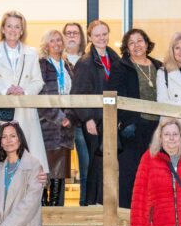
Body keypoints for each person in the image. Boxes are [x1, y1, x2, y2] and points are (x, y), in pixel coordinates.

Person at [0, 11, 48, 175]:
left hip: (25, 110)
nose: (13, 30)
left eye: (17, 27)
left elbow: (38, 82)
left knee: (26, 161)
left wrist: (23, 90)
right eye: (9, 26)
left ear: (22, 30)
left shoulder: (31, 52)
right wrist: (5, 91)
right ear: (3, 28)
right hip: (0, 110)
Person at [70, 19, 121, 206]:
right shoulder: (85, 63)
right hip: (93, 122)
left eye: (104, 34)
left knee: (109, 163)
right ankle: (91, 204)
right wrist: (88, 119)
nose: (102, 38)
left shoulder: (115, 58)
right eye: (97, 35)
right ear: (90, 37)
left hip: (111, 120)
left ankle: (107, 202)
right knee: (94, 164)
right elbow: (77, 95)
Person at [111, 28, 163, 206]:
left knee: (156, 173)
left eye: (139, 41)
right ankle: (127, 215)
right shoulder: (121, 66)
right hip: (133, 127)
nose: (136, 46)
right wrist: (126, 121)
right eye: (131, 43)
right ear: (127, 48)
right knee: (130, 174)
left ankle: (153, 214)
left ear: (147, 43)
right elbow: (115, 95)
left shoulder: (159, 66)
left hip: (158, 128)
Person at [38, 29, 74, 206]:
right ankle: (45, 208)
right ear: (46, 44)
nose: (57, 44)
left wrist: (69, 118)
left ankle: (56, 209)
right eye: (52, 41)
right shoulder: (42, 64)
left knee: (61, 170)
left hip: (66, 126)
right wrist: (59, 117)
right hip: (48, 124)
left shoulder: (67, 64)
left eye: (59, 40)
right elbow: (41, 95)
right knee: (46, 168)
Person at [63, 22, 89, 194]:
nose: (72, 36)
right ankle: (58, 212)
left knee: (86, 166)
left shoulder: (88, 60)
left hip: (82, 120)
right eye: (68, 33)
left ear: (82, 38)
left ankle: (84, 206)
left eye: (75, 33)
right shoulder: (55, 59)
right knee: (59, 169)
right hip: (60, 120)